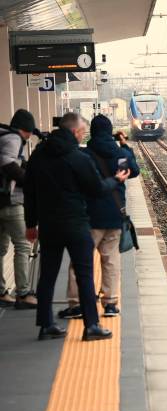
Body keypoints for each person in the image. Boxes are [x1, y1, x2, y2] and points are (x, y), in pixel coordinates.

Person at [24, 113, 130, 341]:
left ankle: (45, 324)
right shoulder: (77, 158)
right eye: (82, 131)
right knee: (84, 274)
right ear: (74, 132)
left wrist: (30, 224)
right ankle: (91, 326)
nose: (83, 135)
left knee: (48, 275)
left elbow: (29, 191)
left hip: (49, 225)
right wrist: (116, 180)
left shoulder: (39, 154)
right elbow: (97, 189)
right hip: (75, 224)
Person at [59, 116, 139, 319]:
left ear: (91, 132)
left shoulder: (83, 154)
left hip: (88, 217)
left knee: (80, 260)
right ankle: (110, 304)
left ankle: (77, 304)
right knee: (111, 259)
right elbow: (134, 171)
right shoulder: (120, 154)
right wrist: (125, 145)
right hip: (114, 214)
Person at [0, 109, 36, 309]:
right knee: (22, 245)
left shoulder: (3, 135)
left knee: (0, 248)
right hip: (10, 202)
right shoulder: (14, 138)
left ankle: (1, 292)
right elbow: (8, 163)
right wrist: (28, 180)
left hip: (1, 202)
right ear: (25, 130)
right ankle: (23, 293)